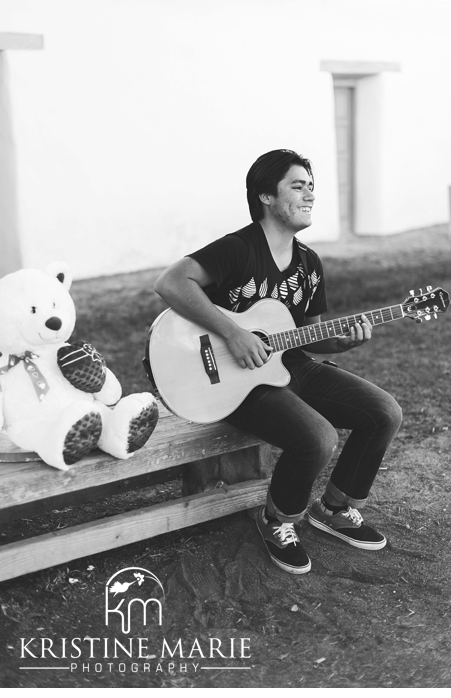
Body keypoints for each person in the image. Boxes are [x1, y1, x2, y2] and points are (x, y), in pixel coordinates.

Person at [154, 149, 402, 575]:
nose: (310, 195)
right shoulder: (237, 249)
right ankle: (277, 520)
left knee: (384, 412)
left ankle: (334, 509)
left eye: (311, 187)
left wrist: (342, 343)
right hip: (233, 381)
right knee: (317, 437)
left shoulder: (309, 264)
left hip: (289, 366)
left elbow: (311, 335)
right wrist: (234, 333)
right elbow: (171, 282)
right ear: (266, 196)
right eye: (297, 186)